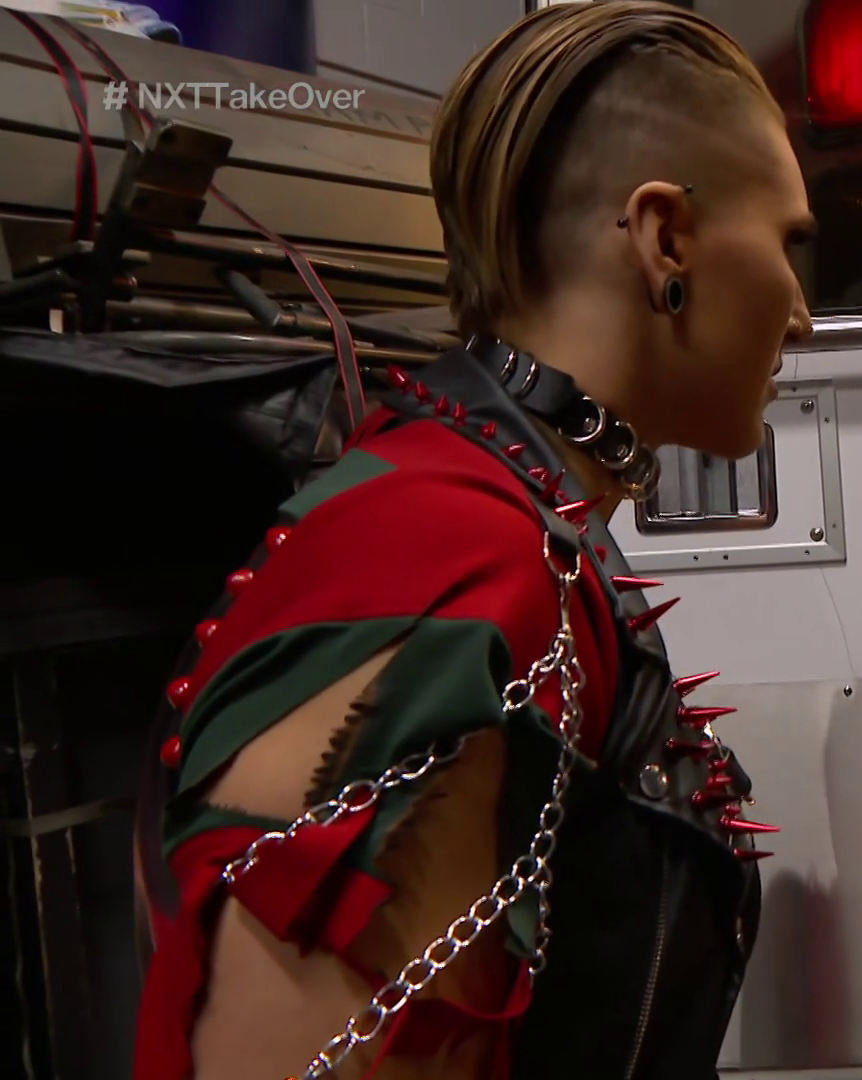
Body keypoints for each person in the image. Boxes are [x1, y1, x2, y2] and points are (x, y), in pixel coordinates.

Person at [131, 4, 816, 1078]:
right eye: (788, 243)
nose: (804, 313)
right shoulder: (460, 558)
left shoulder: (502, 514)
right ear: (666, 239)